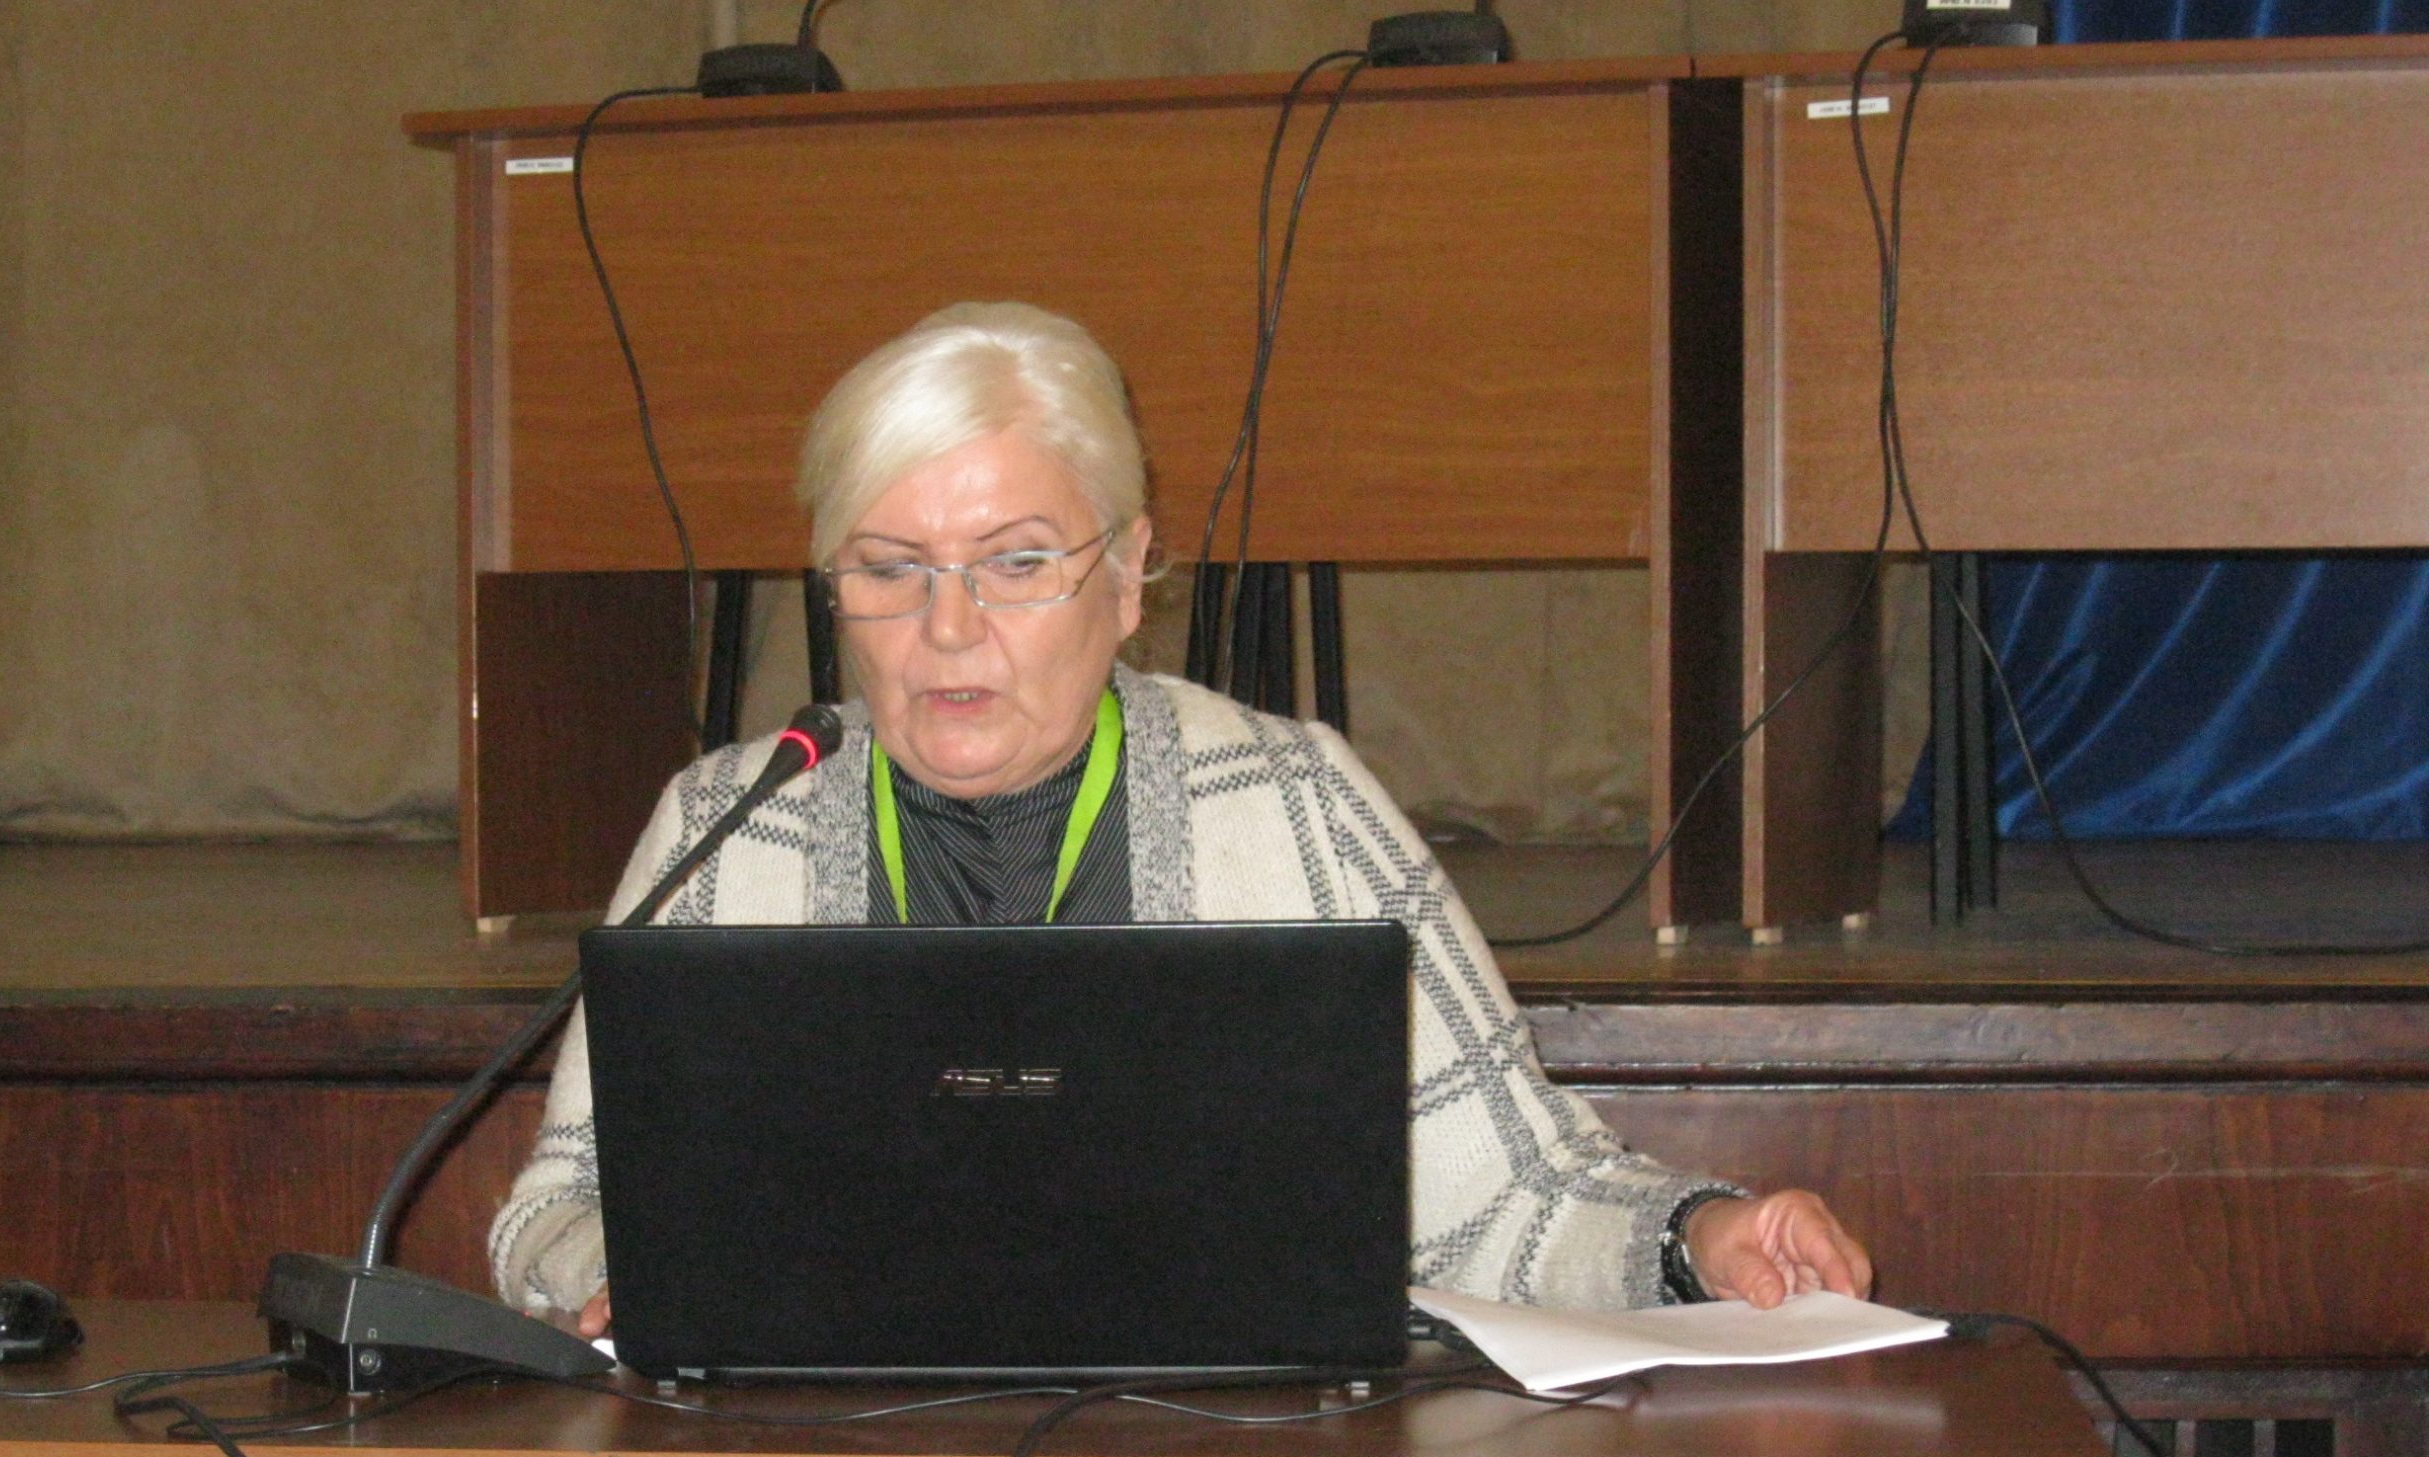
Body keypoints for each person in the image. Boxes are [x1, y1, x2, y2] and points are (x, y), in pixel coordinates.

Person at [490, 302, 1872, 1337]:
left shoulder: (1290, 800)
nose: (948, 627)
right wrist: (623, 1270)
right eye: (891, 569)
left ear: (1128, 569)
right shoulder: (734, 824)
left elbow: (1509, 1191)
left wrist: (1702, 1234)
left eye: (1016, 563)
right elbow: (554, 1207)